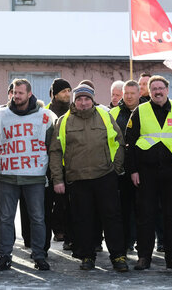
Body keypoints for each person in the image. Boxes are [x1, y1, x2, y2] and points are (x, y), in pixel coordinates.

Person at [48, 84, 129, 272]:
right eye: (79, 99)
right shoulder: (64, 121)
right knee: (83, 219)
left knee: (112, 218)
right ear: (74, 101)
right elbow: (55, 151)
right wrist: (58, 179)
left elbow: (118, 141)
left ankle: (118, 256)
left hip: (104, 176)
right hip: (78, 180)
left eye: (87, 99)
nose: (83, 103)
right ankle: (86, 256)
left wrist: (115, 168)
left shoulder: (104, 116)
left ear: (92, 100)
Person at [125, 76, 172, 270]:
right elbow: (129, 141)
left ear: (167, 90)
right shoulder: (140, 111)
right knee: (145, 215)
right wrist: (133, 170)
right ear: (149, 91)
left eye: (161, 88)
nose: (157, 92)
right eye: (153, 88)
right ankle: (144, 257)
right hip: (146, 172)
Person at [0, 79, 55, 272]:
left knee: (37, 218)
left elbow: (51, 145)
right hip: (8, 176)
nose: (16, 96)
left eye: (20, 92)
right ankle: (5, 256)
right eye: (14, 92)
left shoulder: (45, 117)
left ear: (29, 94)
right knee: (6, 218)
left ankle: (39, 256)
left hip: (34, 176)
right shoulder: (1, 116)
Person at [111, 80, 141, 253]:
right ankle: (126, 241)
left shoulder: (146, 111)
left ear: (138, 94)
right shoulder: (113, 113)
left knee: (142, 208)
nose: (129, 96)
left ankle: (141, 241)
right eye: (126, 93)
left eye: (132, 93)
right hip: (120, 167)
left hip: (141, 166)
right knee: (123, 207)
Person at [44, 78, 72, 249]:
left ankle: (68, 235)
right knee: (49, 202)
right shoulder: (45, 113)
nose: (67, 94)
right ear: (54, 94)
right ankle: (51, 234)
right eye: (63, 91)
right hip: (48, 163)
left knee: (67, 202)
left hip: (69, 163)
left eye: (69, 91)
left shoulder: (72, 111)